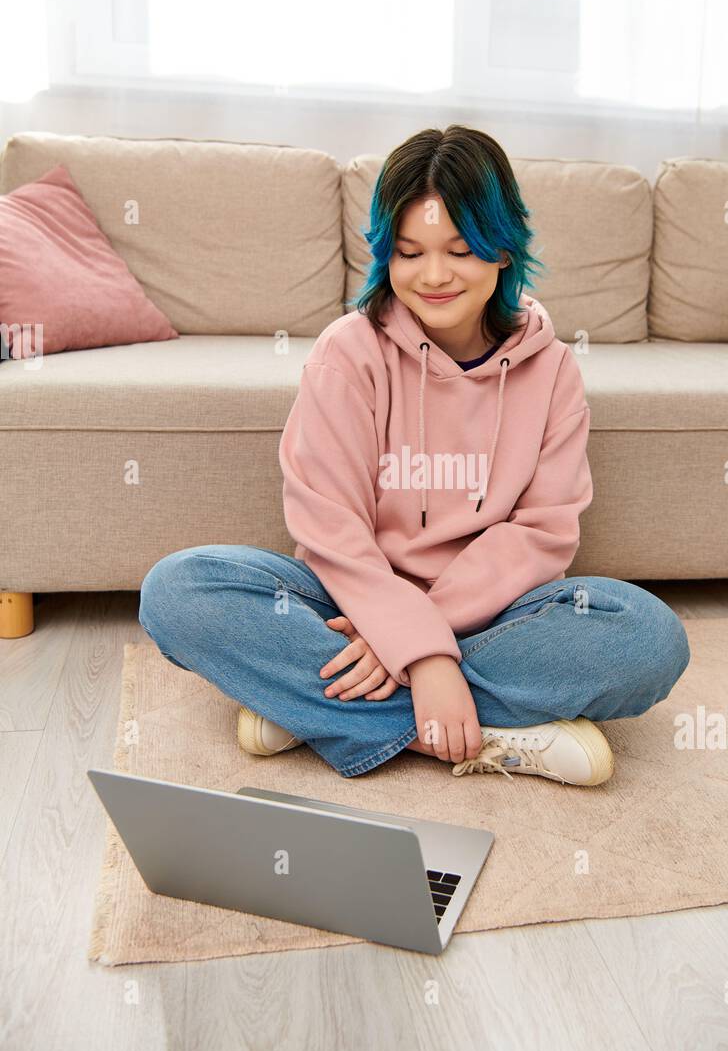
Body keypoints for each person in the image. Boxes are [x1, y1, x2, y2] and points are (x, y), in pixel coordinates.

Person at [138, 124, 690, 786]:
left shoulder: (554, 370)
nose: (432, 276)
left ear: (504, 250)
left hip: (489, 612)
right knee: (180, 590)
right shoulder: (349, 352)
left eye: (460, 250)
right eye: (408, 253)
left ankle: (314, 710)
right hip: (345, 597)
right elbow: (328, 526)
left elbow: (542, 534)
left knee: (648, 637)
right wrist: (418, 654)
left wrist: (419, 641)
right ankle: (480, 730)